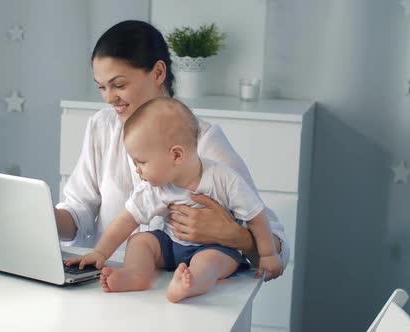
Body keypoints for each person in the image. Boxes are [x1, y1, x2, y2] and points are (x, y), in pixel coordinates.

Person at [54, 20, 289, 280]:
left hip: (185, 293)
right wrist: (44, 220)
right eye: (102, 87)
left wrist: (236, 237)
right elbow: (80, 212)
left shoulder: (202, 140)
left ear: (157, 73)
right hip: (111, 283)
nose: (109, 98)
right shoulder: (101, 126)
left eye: (119, 85)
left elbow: (279, 247)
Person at [65, 98, 283, 302]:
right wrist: (100, 253)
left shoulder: (223, 179)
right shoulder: (154, 188)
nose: (137, 170)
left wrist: (268, 254)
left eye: (141, 162)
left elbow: (256, 216)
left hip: (215, 248)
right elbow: (126, 220)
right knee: (140, 241)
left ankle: (192, 284)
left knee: (211, 262)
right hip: (171, 246)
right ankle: (135, 275)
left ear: (176, 156)